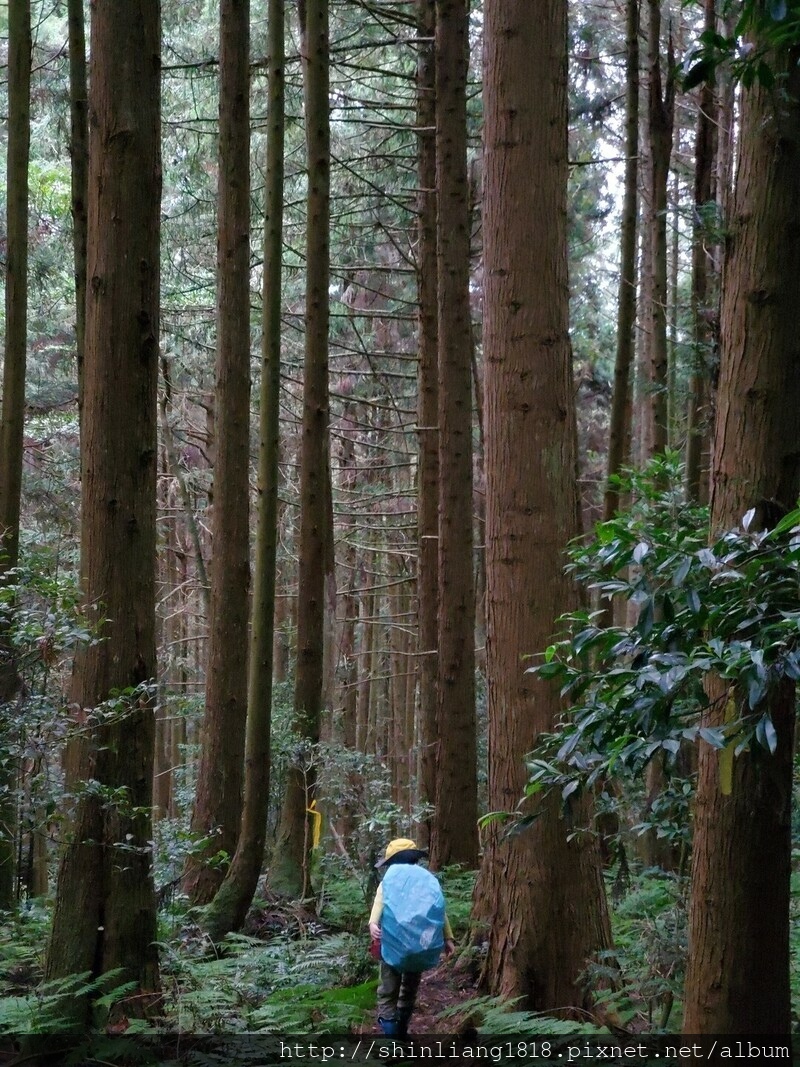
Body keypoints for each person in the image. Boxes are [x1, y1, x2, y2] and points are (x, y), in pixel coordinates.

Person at [368, 837, 455, 1036]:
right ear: (415, 858)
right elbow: (439, 909)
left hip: (391, 944)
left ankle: (392, 1040)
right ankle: (402, 1030)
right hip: (419, 946)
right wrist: (448, 938)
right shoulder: (426, 879)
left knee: (388, 992)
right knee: (409, 989)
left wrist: (373, 924)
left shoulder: (388, 880)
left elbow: (379, 904)